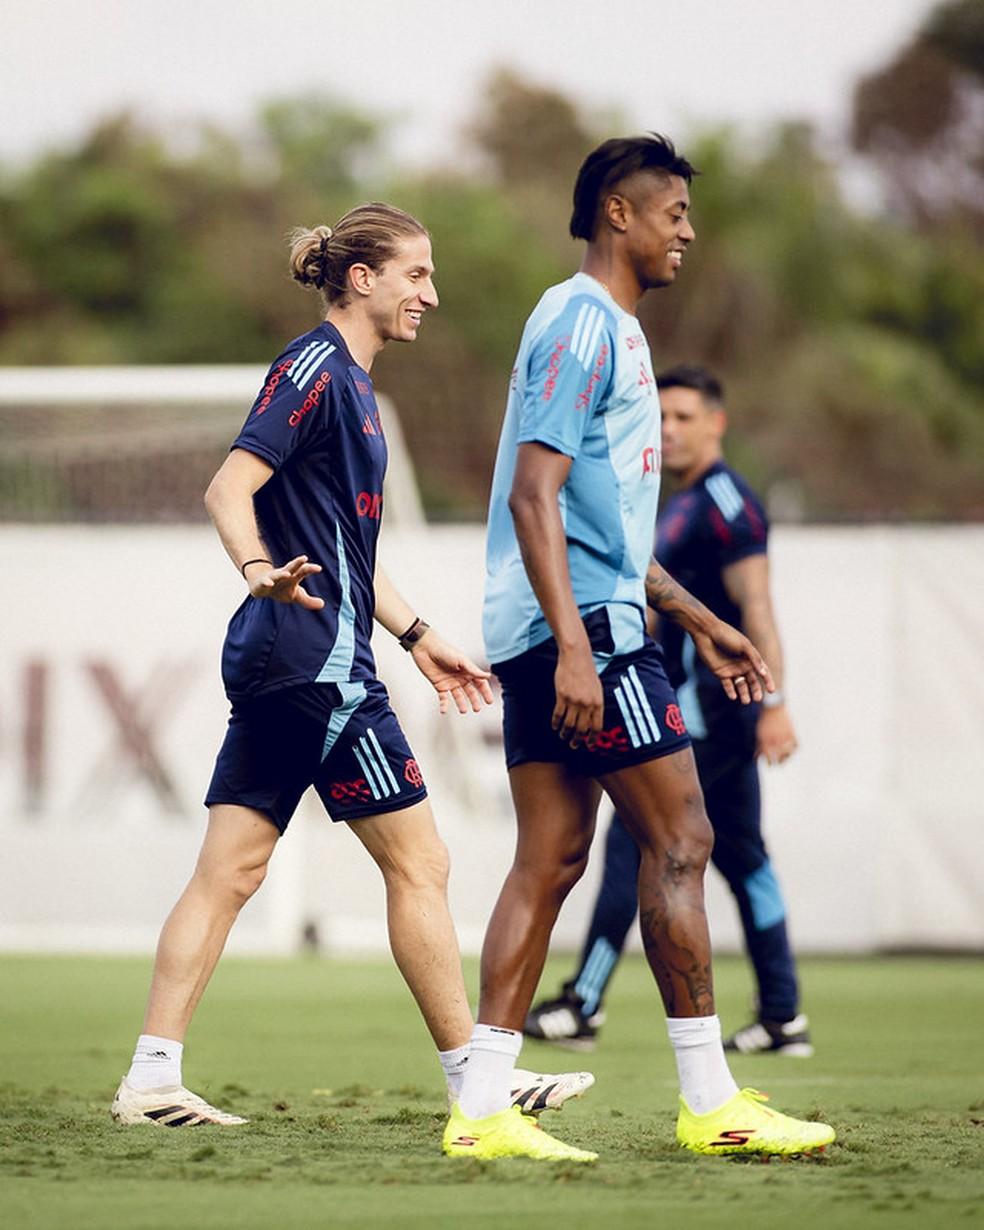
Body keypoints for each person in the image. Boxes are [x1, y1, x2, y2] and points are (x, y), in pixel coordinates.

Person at [111, 203, 592, 1129]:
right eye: (417, 275)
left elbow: (344, 554)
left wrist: (417, 636)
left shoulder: (357, 390)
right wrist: (260, 574)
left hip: (294, 658)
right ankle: (477, 1087)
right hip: (315, 664)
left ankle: (151, 1077)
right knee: (421, 862)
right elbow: (228, 488)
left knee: (232, 871)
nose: (432, 295)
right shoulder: (313, 369)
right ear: (362, 278)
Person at [443, 136, 834, 1163]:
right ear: (619, 212)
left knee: (555, 855)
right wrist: (577, 647)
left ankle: (481, 1106)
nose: (688, 234)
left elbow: (596, 526)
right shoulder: (582, 324)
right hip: (587, 637)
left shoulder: (599, 327)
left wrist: (704, 623)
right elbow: (533, 495)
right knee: (685, 838)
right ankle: (713, 1103)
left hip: (566, 625)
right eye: (675, 215)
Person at [525, 364, 812, 1057]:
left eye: (685, 417)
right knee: (744, 858)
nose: (670, 429)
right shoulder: (679, 504)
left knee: (636, 843)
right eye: (663, 417)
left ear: (717, 423)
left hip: (712, 714)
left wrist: (774, 703)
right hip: (709, 715)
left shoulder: (728, 504)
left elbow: (757, 608)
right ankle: (782, 1016)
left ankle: (584, 1004)